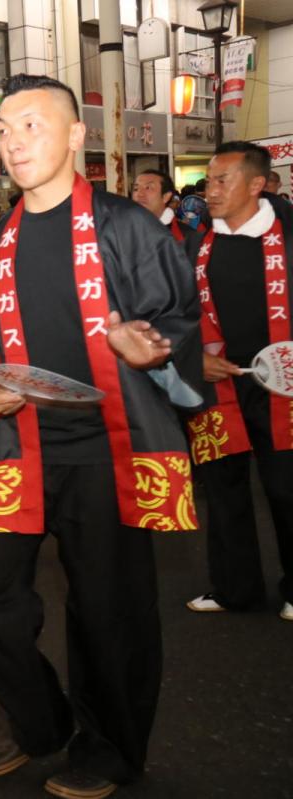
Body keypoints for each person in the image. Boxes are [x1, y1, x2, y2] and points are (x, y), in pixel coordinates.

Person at [0, 75, 202, 799]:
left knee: (107, 607)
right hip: (17, 445)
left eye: (30, 125)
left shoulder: (130, 227)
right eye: (3, 129)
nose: (12, 141)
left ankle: (111, 747)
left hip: (109, 448)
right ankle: (41, 721)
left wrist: (152, 345)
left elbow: (182, 322)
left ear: (75, 136)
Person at [183, 141, 293, 622]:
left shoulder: (288, 233)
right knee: (224, 488)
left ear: (256, 184)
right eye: (209, 180)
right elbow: (176, 311)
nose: (211, 190)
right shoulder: (197, 241)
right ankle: (234, 588)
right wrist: (193, 359)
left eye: (222, 180)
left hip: (283, 383)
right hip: (219, 381)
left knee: (286, 488)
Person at [131, 169, 199, 261]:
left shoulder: (187, 237)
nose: (139, 194)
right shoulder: (123, 231)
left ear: (166, 196)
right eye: (136, 189)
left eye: (148, 188)